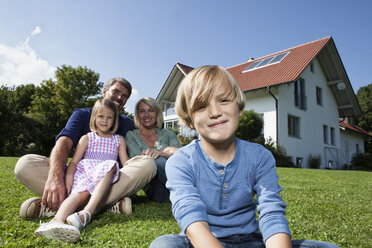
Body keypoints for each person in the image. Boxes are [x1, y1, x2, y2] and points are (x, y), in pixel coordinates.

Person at [149, 65, 340, 248]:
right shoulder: (180, 161)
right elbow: (191, 218)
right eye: (201, 106)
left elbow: (271, 212)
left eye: (224, 100)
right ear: (190, 120)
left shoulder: (259, 156)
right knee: (164, 244)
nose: (215, 112)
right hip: (200, 242)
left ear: (239, 108)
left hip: (252, 242)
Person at [15, 77, 156, 219]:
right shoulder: (82, 115)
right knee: (25, 164)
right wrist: (55, 176)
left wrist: (160, 150)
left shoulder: (129, 124)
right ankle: (106, 204)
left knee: (147, 164)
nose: (120, 97)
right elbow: (64, 143)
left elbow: (147, 140)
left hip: (111, 181)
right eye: (116, 91)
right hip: (80, 178)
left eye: (125, 96)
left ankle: (61, 206)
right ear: (105, 91)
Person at [34, 99, 129, 242]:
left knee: (110, 165)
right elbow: (74, 162)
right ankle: (56, 221)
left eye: (109, 117)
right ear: (94, 118)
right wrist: (69, 178)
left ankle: (85, 214)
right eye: (101, 116)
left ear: (114, 120)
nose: (105, 121)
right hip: (86, 171)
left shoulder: (118, 139)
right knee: (78, 195)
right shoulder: (86, 138)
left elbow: (126, 162)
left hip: (105, 175)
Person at [125, 97, 180, 202]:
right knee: (156, 161)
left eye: (151, 110)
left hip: (171, 178)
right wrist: (161, 155)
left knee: (159, 159)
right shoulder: (131, 135)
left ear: (157, 114)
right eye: (142, 111)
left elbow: (180, 157)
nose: (146, 115)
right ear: (137, 115)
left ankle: (184, 192)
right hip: (151, 184)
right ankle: (188, 191)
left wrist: (162, 153)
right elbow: (138, 163)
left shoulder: (169, 134)